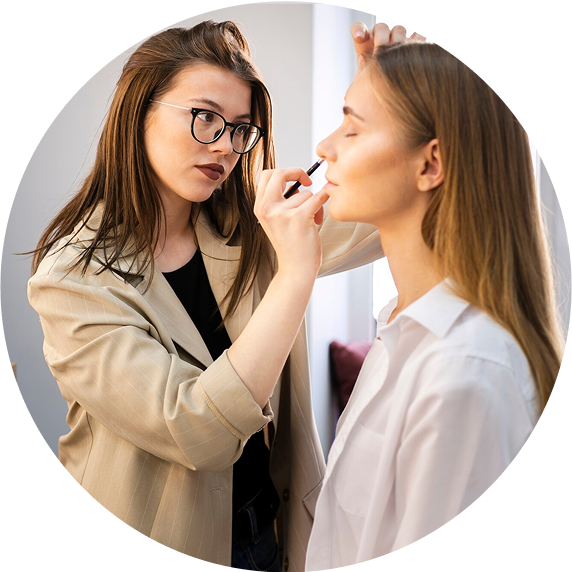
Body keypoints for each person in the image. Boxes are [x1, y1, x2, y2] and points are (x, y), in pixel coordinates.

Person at [27, 20, 388, 570]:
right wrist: (295, 274)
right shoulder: (72, 279)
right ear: (139, 112)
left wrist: (384, 104)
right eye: (204, 117)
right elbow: (199, 431)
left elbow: (386, 216)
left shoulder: (248, 225)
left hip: (273, 534)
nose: (225, 146)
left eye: (240, 129)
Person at [305, 32, 563, 570]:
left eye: (352, 127)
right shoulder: (402, 327)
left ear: (430, 164)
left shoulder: (465, 374)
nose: (324, 147)